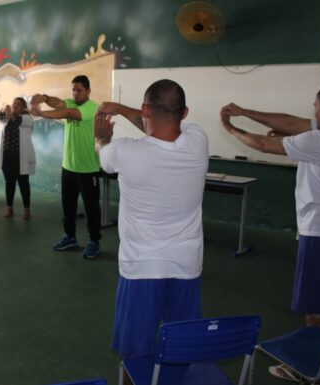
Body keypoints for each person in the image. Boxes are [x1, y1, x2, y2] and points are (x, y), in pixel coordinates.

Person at [220, 83, 320, 382]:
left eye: (315, 106)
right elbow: (290, 123)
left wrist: (229, 128)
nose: (312, 112)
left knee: (315, 308)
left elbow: (263, 145)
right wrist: (244, 111)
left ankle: (308, 368)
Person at [94, 79, 209, 358]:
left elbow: (102, 155)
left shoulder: (123, 151)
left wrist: (101, 136)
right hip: (186, 264)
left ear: (145, 109)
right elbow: (162, 123)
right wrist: (124, 109)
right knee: (180, 349)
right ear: (185, 112)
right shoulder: (198, 139)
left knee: (135, 354)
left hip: (141, 267)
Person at [30, 75, 101, 258]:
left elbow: (68, 114)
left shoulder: (92, 108)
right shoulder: (70, 102)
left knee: (91, 208)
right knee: (68, 207)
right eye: (73, 90)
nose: (75, 93)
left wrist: (42, 114)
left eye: (79, 90)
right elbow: (59, 104)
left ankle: (94, 241)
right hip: (68, 167)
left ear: (88, 91)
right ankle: (70, 237)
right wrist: (44, 98)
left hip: (88, 169)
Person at [0, 97, 35, 219]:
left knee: (23, 183)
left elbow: (17, 120)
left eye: (18, 105)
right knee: (9, 182)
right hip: (7, 156)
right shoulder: (5, 118)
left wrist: (10, 114)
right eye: (13, 104)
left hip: (21, 157)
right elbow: (0, 116)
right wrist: (3, 110)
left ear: (23, 108)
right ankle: (9, 207)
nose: (15, 106)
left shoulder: (27, 119)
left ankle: (27, 209)